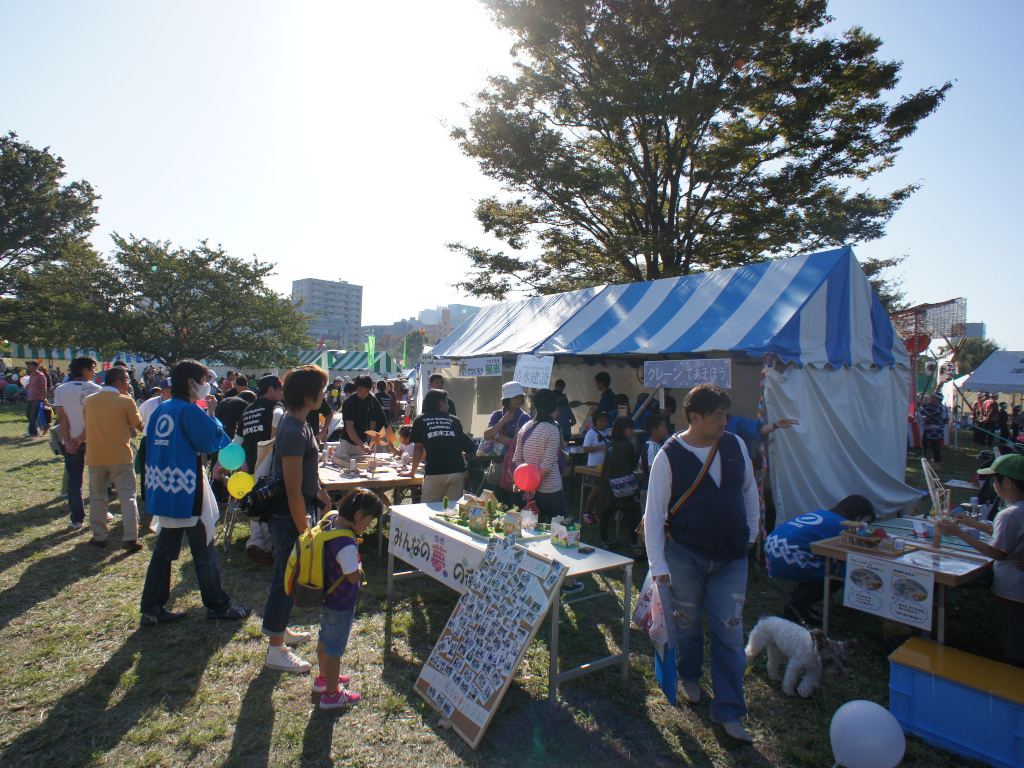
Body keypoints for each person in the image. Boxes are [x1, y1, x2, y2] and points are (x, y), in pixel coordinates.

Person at [644, 384, 759, 744]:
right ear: (694, 418)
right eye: (718, 416)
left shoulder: (735, 445)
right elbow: (653, 515)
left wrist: (750, 536)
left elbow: (749, 491)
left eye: (726, 414)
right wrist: (658, 563)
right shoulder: (669, 456)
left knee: (730, 631)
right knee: (688, 621)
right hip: (685, 555)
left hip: (732, 558)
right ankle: (689, 674)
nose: (725, 421)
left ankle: (729, 710)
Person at [139, 359, 251, 626]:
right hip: (186, 488)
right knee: (204, 548)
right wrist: (211, 414)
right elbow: (212, 441)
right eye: (203, 381)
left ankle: (152, 608)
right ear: (191, 383)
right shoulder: (189, 411)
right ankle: (218, 605)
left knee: (165, 550)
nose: (207, 386)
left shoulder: (162, 408)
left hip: (163, 487)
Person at [263, 365, 334, 673]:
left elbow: (306, 475)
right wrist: (305, 530)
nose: (325, 394)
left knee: (287, 576)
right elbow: (291, 489)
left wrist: (320, 493)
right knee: (285, 576)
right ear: (308, 393)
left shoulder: (301, 423)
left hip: (299, 508)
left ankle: (281, 630)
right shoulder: (292, 429)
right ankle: (275, 648)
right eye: (322, 388)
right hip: (288, 514)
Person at [938, 454, 1024, 666]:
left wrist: (958, 532)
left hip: (1013, 590)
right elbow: (1006, 534)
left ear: (1008, 482)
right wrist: (972, 523)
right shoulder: (1016, 512)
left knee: (1013, 638)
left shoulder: (1010, 514)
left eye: (994, 481)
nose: (993, 485)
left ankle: (1013, 677)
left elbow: (997, 552)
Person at [313, 489, 383, 708]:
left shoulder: (332, 520)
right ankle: (332, 695)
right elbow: (353, 576)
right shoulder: (346, 544)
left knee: (324, 639)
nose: (368, 527)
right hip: (341, 603)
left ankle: (324, 679)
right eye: (369, 522)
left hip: (326, 597)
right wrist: (361, 570)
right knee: (334, 650)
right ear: (358, 516)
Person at [764, 495, 876, 626]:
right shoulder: (842, 524)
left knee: (819, 563)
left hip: (772, 547)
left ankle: (797, 600)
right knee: (836, 572)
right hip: (787, 555)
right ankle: (797, 604)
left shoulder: (821, 513)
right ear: (857, 516)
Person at [83, 366, 145, 550]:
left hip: (95, 456)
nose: (128, 383)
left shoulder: (89, 400)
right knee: (127, 497)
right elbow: (139, 425)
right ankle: (131, 537)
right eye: (126, 380)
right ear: (117, 382)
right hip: (121, 456)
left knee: (97, 497)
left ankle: (99, 535)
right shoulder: (125, 401)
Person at [236, 375, 286, 565]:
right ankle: (266, 546)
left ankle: (255, 542)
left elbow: (237, 440)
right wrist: (272, 442)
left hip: (250, 462)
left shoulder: (248, 410)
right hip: (268, 462)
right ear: (271, 390)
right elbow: (278, 417)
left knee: (256, 500)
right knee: (269, 501)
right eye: (279, 389)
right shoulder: (275, 406)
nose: (281, 394)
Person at [52, 356, 101, 530]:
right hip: (93, 440)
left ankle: (77, 518)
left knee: (74, 481)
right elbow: (93, 418)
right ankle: (100, 513)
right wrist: (81, 437)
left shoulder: (61, 390)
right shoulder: (97, 389)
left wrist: (68, 440)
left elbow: (62, 417)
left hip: (70, 441)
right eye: (93, 368)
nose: (95, 372)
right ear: (85, 370)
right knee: (98, 480)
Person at [406, 388, 476, 503]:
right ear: (440, 403)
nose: (448, 406)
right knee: (451, 510)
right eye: (446, 402)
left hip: (435, 471)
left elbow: (418, 448)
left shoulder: (420, 420)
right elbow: (469, 445)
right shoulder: (454, 420)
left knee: (428, 508)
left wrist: (412, 473)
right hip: (457, 470)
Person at [482, 381, 532, 508]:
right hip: (499, 465)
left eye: (520, 397)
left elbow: (515, 443)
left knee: (515, 503)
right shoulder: (497, 415)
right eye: (515, 397)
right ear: (507, 399)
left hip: (515, 467)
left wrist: (497, 435)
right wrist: (502, 421)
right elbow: (487, 434)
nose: (518, 399)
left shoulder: (524, 417)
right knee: (500, 503)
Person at [597, 416, 640, 553]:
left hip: (608, 484)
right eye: (630, 428)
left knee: (606, 512)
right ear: (623, 430)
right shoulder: (628, 446)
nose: (632, 431)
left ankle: (604, 540)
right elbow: (634, 465)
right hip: (624, 485)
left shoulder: (610, 444)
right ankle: (634, 543)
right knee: (631, 513)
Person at [338, 375, 391, 457]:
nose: (363, 393)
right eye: (360, 390)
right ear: (356, 388)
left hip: (363, 440)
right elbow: (349, 428)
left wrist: (372, 435)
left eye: (366, 391)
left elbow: (375, 417)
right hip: (348, 442)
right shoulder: (349, 402)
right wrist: (362, 445)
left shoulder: (371, 398)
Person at [582, 410, 611, 521]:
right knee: (595, 491)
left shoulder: (608, 432)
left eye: (605, 421)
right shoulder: (591, 433)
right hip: (593, 467)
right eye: (601, 421)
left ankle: (596, 512)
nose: (603, 424)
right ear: (596, 421)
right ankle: (587, 512)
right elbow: (585, 449)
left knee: (602, 492)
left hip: (604, 467)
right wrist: (600, 447)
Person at [918, 392, 949, 464]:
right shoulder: (939, 407)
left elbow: (924, 412)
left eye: (933, 398)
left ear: (937, 399)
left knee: (934, 445)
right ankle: (922, 455)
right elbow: (927, 407)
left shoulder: (938, 408)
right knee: (924, 442)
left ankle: (937, 460)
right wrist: (922, 403)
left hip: (935, 429)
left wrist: (921, 404)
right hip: (930, 428)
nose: (930, 399)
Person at [24, 360, 48, 436]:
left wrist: (44, 399)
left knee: (33, 415)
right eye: (28, 365)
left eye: (30, 365)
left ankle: (33, 432)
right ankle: (38, 429)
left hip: (38, 398)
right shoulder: (31, 376)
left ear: (35, 366)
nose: (28, 367)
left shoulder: (40, 376)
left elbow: (43, 388)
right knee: (28, 414)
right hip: (30, 398)